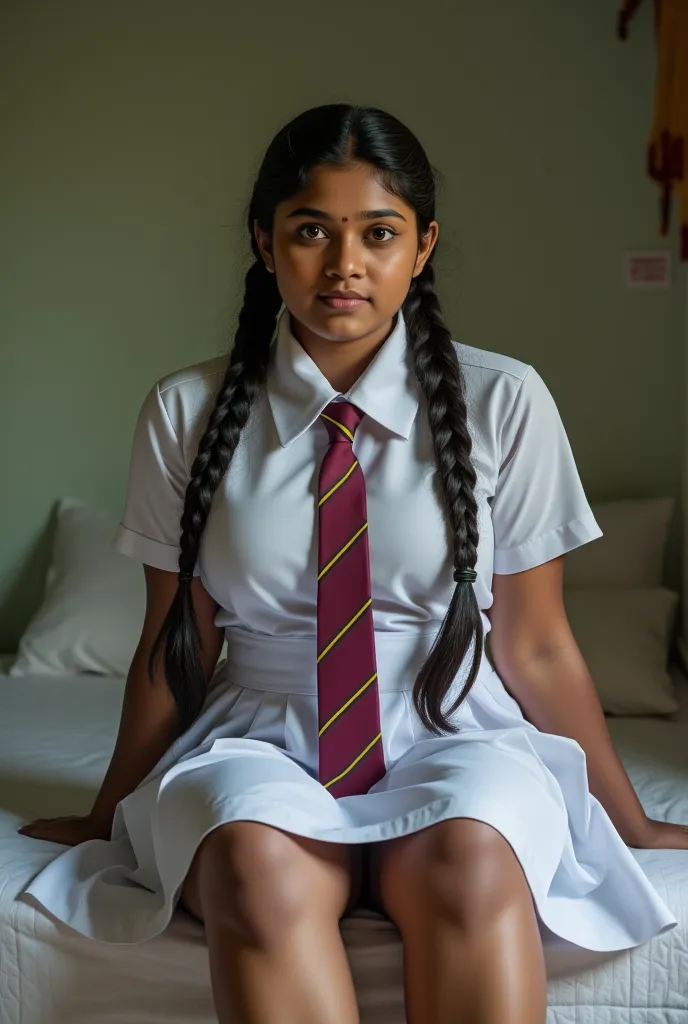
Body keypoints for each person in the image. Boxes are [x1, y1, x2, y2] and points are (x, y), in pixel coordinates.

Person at [16, 103, 687, 1024]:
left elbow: (535, 646)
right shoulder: (186, 410)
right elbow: (172, 644)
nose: (345, 266)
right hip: (261, 737)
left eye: (379, 233)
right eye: (309, 232)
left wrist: (632, 822)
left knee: (472, 861)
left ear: (423, 246)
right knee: (256, 869)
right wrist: (107, 816)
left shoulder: (506, 402)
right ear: (264, 242)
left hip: (458, 731)